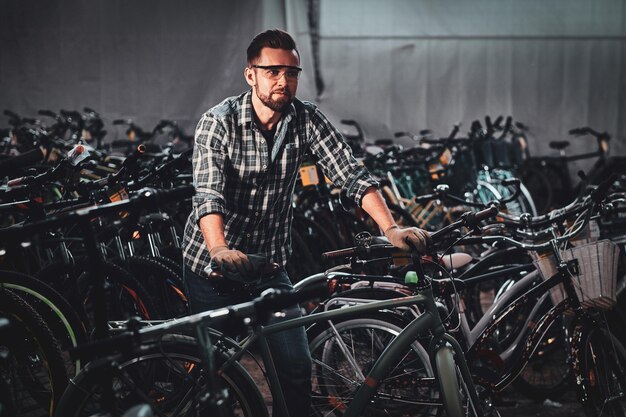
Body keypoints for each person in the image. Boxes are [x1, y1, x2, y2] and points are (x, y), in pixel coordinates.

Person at [182, 28, 431, 417]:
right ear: (251, 75)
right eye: (273, 71)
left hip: (268, 268)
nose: (284, 81)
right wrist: (218, 248)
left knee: (295, 369)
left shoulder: (305, 119)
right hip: (213, 271)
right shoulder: (218, 122)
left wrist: (391, 228)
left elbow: (350, 174)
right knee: (217, 381)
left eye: (293, 72)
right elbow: (208, 194)